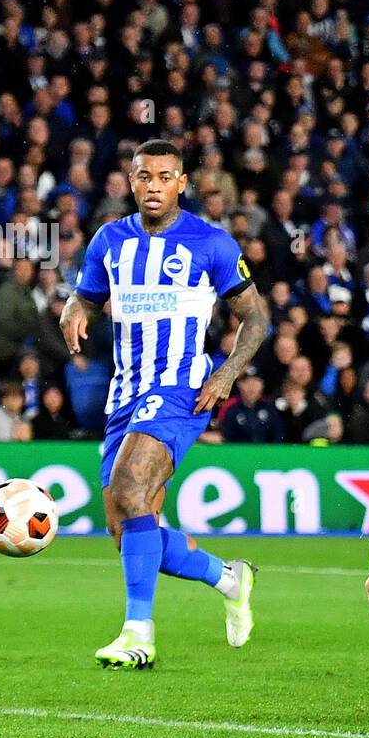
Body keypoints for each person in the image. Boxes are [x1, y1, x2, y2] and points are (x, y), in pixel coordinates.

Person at [60, 139, 270, 669]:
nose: (153, 186)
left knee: (131, 489)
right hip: (124, 392)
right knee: (126, 525)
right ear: (131, 182)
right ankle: (229, 577)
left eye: (165, 176)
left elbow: (257, 317)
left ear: (181, 184)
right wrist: (73, 307)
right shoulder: (109, 240)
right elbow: (87, 294)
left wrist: (226, 374)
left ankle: (139, 635)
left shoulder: (212, 243)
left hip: (181, 387)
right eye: (143, 176)